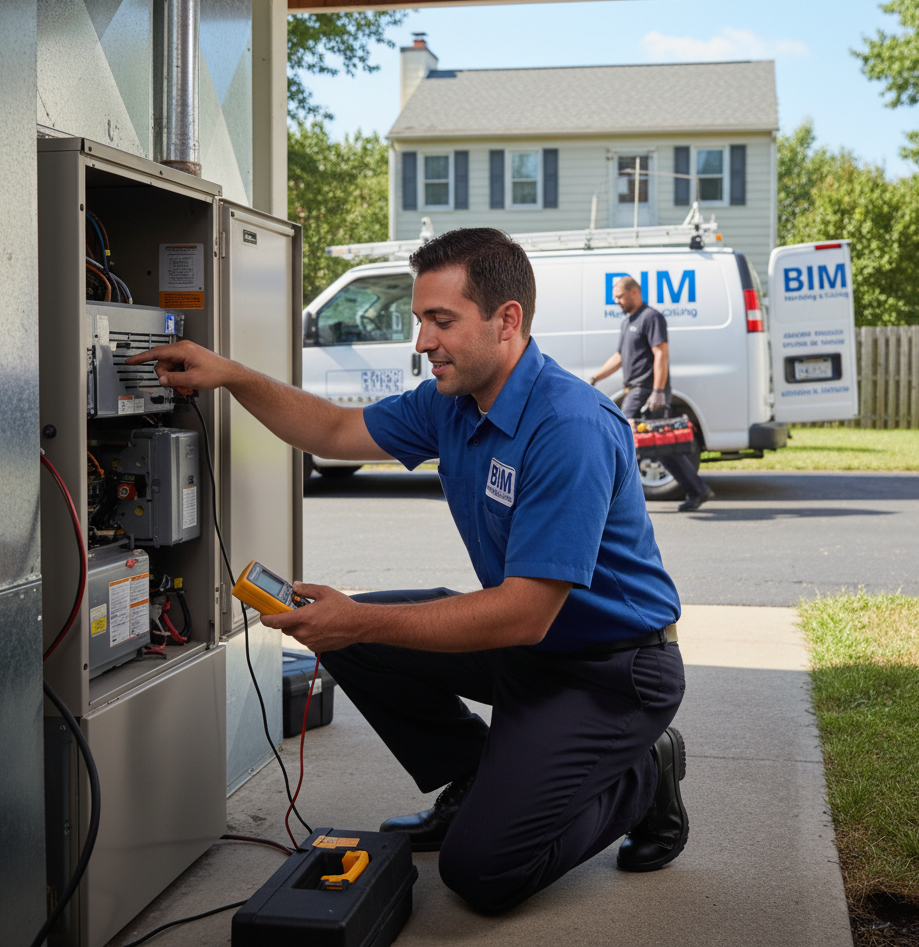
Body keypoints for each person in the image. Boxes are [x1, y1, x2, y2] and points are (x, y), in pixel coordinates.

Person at [126, 228, 688, 914]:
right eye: (420, 320)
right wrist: (231, 374)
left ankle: (643, 773)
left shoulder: (569, 427)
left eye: (440, 321)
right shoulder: (451, 401)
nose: (421, 341)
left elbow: (524, 611)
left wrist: (356, 617)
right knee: (358, 639)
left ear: (506, 320)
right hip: (527, 649)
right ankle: (477, 776)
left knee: (482, 873)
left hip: (611, 671)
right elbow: (333, 431)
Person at [590, 275, 714, 512]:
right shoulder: (627, 323)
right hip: (635, 389)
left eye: (619, 296)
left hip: (647, 391)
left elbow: (660, 353)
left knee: (619, 438)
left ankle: (614, 501)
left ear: (634, 292)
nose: (616, 301)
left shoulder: (652, 317)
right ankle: (698, 490)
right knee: (662, 448)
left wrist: (658, 391)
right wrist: (595, 378)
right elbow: (618, 358)